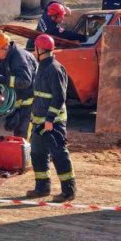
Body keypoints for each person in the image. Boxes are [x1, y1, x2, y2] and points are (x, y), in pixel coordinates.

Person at [28, 34, 76, 202]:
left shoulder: (54, 69)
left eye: (35, 48)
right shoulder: (41, 66)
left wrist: (49, 119)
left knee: (59, 154)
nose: (34, 51)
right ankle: (42, 188)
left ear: (40, 49)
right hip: (39, 122)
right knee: (37, 153)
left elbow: (59, 97)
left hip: (53, 123)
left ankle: (68, 191)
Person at [0, 32, 38, 138]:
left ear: (6, 48)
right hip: (20, 101)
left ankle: (27, 149)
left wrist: (4, 80)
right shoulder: (7, 57)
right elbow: (0, 74)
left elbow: (25, 81)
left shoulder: (18, 59)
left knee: (24, 135)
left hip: (30, 102)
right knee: (17, 132)